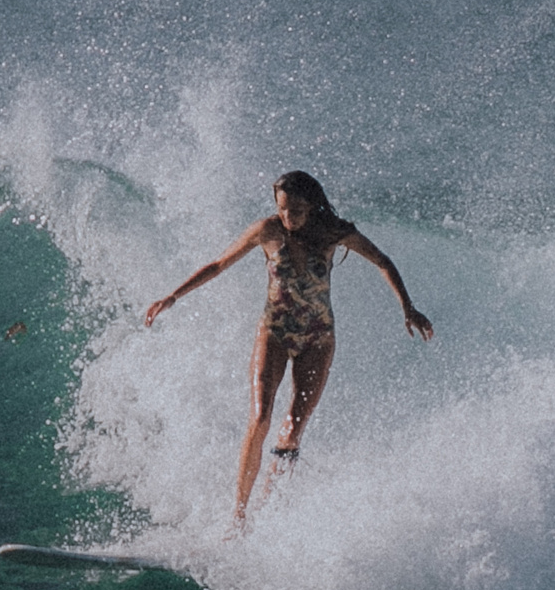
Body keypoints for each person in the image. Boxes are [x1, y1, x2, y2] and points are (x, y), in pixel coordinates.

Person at [144, 171, 431, 520]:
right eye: (282, 209)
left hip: (317, 338)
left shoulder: (333, 232)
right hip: (275, 333)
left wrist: (407, 308)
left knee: (293, 429)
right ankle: (239, 514)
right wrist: (173, 296)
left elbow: (383, 261)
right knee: (261, 417)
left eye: (295, 210)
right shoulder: (268, 231)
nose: (287, 216)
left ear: (310, 205)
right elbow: (218, 265)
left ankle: (269, 505)